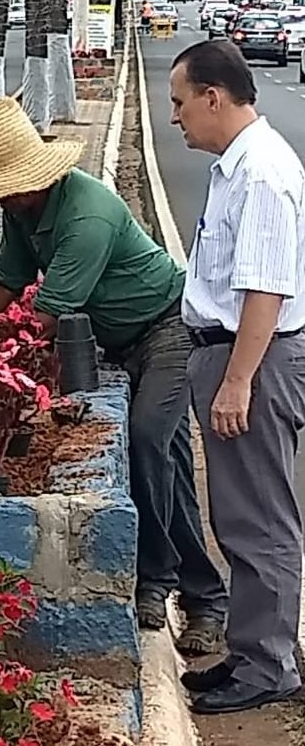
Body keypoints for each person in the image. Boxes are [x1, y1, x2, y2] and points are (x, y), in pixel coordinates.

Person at [0, 95, 228, 654]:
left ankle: (159, 581)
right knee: (162, 461)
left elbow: (44, 316)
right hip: (118, 342)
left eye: (9, 185)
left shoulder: (85, 214)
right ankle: (202, 595)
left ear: (34, 177)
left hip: (167, 328)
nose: (4, 194)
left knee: (145, 441)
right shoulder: (22, 210)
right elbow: (5, 280)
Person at [170, 39, 305, 715]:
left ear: (213, 97)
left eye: (180, 102)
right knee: (239, 518)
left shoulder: (263, 174)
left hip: (251, 356)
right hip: (226, 353)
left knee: (262, 521)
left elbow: (266, 290)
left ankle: (271, 665)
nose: (176, 117)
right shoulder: (235, 168)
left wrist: (238, 379)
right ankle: (250, 651)